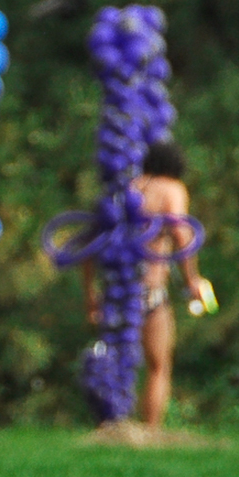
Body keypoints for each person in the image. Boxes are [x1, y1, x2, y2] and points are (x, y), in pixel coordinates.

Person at [81, 141, 210, 426]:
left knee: (112, 360)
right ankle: (150, 431)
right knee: (158, 365)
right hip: (150, 290)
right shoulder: (171, 189)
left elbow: (88, 245)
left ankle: (110, 424)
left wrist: (90, 295)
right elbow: (180, 234)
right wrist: (192, 280)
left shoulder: (119, 189)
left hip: (115, 290)